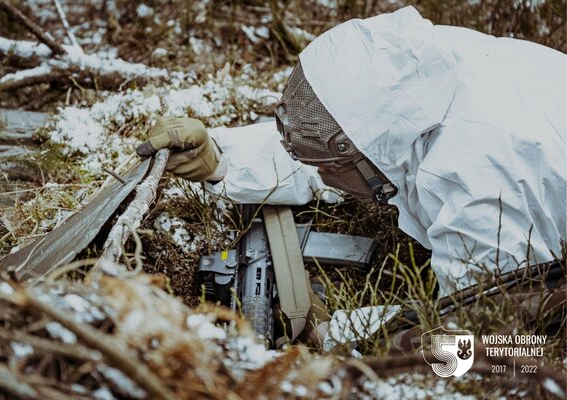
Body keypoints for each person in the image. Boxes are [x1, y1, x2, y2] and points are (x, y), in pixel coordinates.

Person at [136, 6, 566, 297]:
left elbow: (484, 339)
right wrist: (220, 157)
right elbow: (345, 134)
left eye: (330, 166)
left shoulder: (480, 186)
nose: (321, 174)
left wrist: (353, 344)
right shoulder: (418, 72)